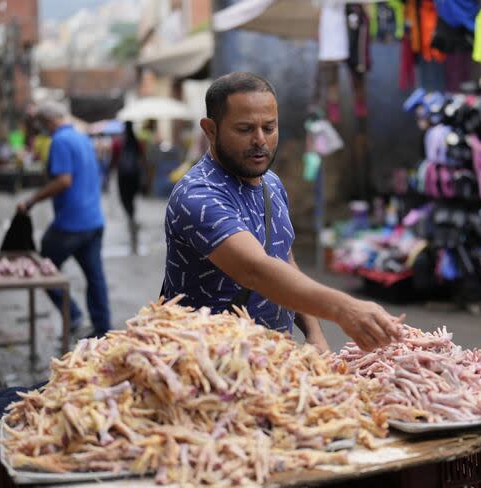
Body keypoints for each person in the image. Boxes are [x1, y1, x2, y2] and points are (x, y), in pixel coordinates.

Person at [161, 72, 403, 355]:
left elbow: (283, 257)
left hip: (271, 366)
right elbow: (255, 270)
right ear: (210, 130)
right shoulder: (198, 196)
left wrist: (314, 334)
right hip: (207, 366)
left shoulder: (271, 183)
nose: (260, 140)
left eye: (269, 127)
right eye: (244, 129)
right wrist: (343, 308)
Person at [17, 101, 111, 338]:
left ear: (47, 122)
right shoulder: (82, 138)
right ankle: (102, 328)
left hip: (71, 222)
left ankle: (74, 315)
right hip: (93, 219)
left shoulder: (59, 141)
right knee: (95, 276)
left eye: (40, 125)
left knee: (43, 268)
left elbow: (63, 181)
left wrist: (31, 201)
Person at [109, 121, 144, 254]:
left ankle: (130, 215)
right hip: (135, 176)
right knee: (132, 197)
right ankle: (132, 215)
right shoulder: (137, 142)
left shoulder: (118, 143)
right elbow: (142, 159)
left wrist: (109, 170)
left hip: (122, 175)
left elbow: (113, 160)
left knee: (124, 197)